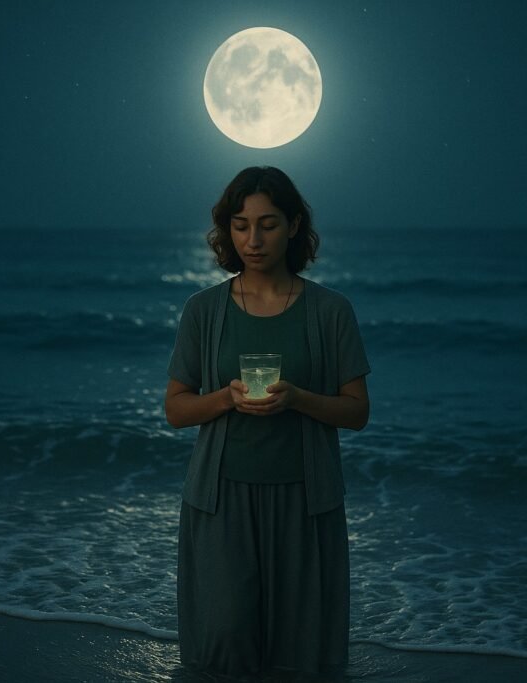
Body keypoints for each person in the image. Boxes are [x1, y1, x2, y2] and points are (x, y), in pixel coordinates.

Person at [164, 166, 371, 676]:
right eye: (240, 225)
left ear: (295, 225)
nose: (252, 239)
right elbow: (175, 409)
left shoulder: (331, 311)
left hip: (305, 499)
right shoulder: (203, 311)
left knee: (300, 654)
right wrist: (226, 400)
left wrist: (299, 398)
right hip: (221, 500)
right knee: (224, 642)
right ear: (226, 230)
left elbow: (357, 411)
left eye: (268, 224)